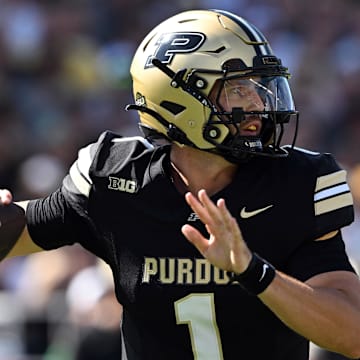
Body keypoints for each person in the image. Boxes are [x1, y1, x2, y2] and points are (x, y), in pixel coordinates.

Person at [1, 8, 360, 360]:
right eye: (238, 90)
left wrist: (253, 271)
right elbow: (18, 231)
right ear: (181, 99)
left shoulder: (297, 181)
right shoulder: (115, 178)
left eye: (260, 87)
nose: (258, 103)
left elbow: (352, 335)